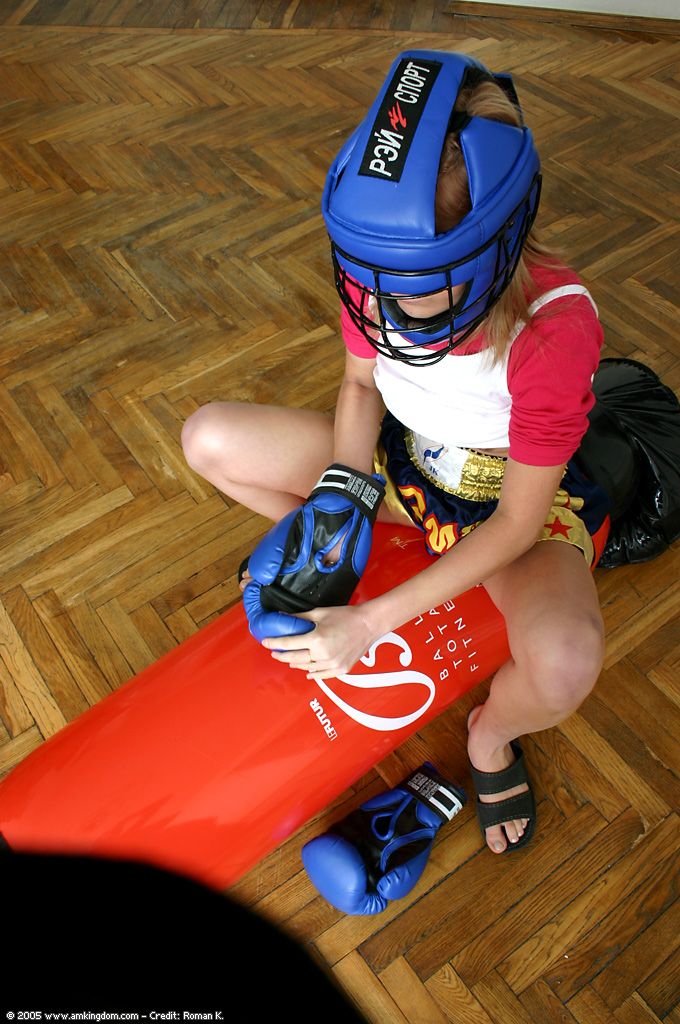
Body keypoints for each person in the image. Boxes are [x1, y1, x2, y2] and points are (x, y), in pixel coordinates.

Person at [181, 50, 611, 856]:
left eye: (410, 290)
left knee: (564, 664)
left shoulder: (555, 331)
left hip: (508, 503)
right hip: (401, 462)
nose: (378, 306)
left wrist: (373, 622)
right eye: (369, 279)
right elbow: (358, 386)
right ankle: (380, 557)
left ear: (492, 251)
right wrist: (342, 506)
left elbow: (517, 522)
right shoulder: (383, 268)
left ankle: (491, 735)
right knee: (209, 439)